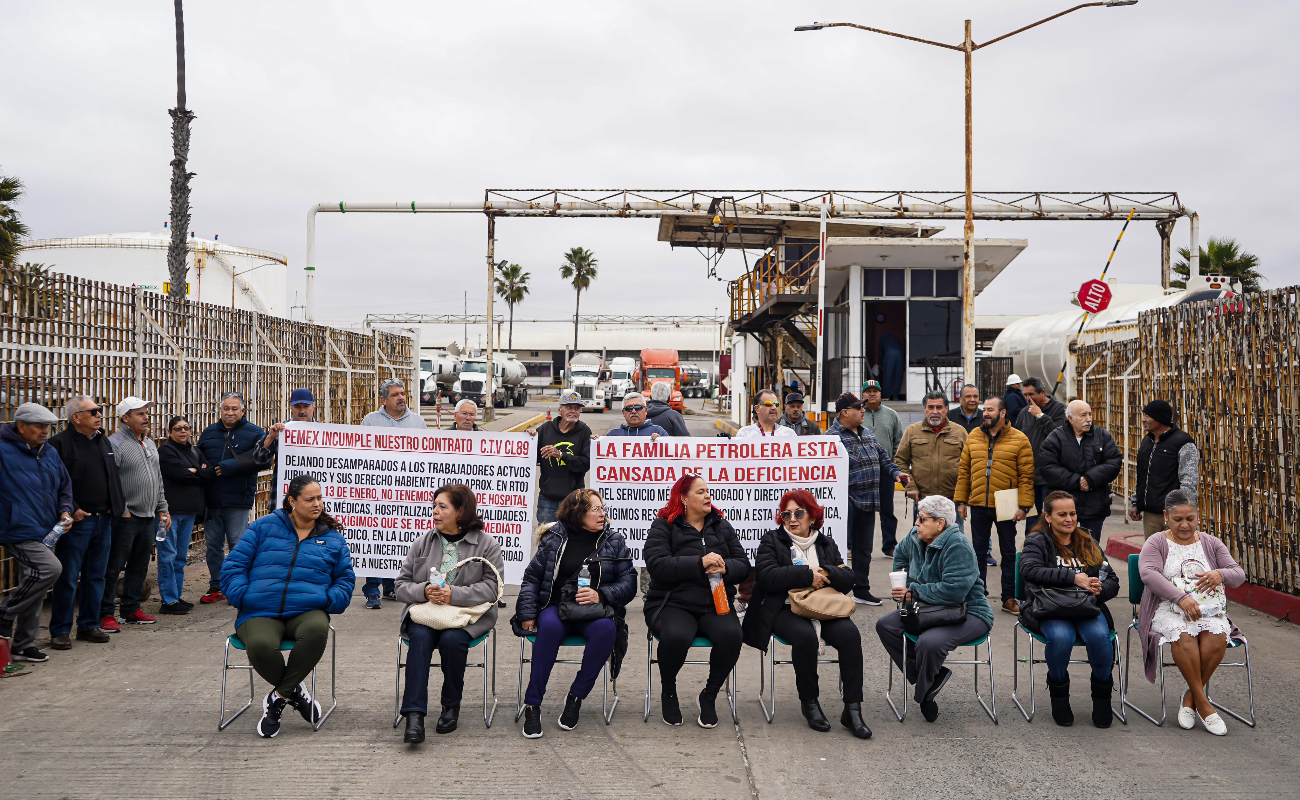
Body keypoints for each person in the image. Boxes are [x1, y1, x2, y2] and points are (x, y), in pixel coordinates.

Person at [220, 475, 355, 738]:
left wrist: (329, 600)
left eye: (319, 498)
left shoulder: (332, 538)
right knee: (259, 645)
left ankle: (278, 699)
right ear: (292, 501)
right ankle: (296, 694)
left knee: (317, 630)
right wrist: (244, 596)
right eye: (310, 499)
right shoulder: (263, 527)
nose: (317, 504)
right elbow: (233, 567)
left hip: (307, 610)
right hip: (259, 610)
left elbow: (345, 580)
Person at [741, 490, 870, 738]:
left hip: (822, 606)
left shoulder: (825, 542)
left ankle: (852, 709)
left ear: (812, 516)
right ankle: (810, 702)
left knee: (850, 635)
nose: (792, 518)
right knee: (805, 638)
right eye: (786, 513)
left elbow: (848, 579)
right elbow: (766, 577)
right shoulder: (772, 540)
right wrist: (807, 575)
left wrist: (827, 572)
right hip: (782, 607)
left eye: (798, 512)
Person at [512, 489, 636, 737]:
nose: (602, 514)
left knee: (606, 630)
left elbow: (629, 582)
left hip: (594, 610)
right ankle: (532, 704)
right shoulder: (554, 537)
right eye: (595, 509)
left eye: (602, 508)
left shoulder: (614, 541)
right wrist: (527, 612)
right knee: (548, 628)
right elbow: (532, 578)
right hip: (556, 607)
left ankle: (576, 697)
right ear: (578, 513)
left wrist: (601, 595)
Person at [394, 484, 504, 744]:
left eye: (442, 507)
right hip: (427, 613)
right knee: (419, 638)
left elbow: (492, 588)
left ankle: (450, 706)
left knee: (452, 640)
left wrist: (454, 594)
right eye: (434, 506)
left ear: (461, 511)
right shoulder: (423, 542)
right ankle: (414, 716)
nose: (435, 512)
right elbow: (400, 586)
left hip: (466, 616)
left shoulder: (487, 545)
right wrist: (425, 591)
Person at [1137, 490, 1246, 736]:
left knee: (1216, 636)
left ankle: (1190, 698)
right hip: (1167, 608)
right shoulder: (1156, 542)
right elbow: (1149, 574)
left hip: (1207, 608)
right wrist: (1181, 598)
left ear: (1198, 516)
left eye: (1190, 518)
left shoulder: (1210, 543)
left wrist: (1222, 574)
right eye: (1178, 519)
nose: (1184, 524)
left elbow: (1238, 575)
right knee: (1184, 636)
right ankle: (1205, 705)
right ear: (1166, 516)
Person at [643, 474, 748, 728]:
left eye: (708, 491)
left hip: (715, 603)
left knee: (732, 636)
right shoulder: (664, 525)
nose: (707, 496)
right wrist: (699, 563)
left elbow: (743, 564)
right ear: (683, 498)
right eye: (700, 492)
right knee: (677, 636)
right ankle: (668, 690)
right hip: (672, 603)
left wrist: (726, 569)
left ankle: (709, 694)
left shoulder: (721, 526)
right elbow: (657, 566)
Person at [875, 495, 993, 722]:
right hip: (926, 607)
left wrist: (913, 590)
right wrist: (902, 579)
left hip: (968, 611)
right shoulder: (914, 536)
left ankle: (924, 695)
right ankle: (931, 678)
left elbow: (954, 592)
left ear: (940, 524)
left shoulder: (958, 545)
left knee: (929, 642)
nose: (916, 523)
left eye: (922, 519)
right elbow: (899, 554)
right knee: (886, 625)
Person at [1018, 490, 1120, 727]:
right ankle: (1059, 696)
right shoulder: (1037, 540)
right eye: (1062, 514)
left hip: (1086, 606)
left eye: (1072, 513)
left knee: (1099, 638)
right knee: (1061, 637)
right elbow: (1029, 570)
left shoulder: (1087, 540)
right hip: (1051, 606)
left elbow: (1112, 580)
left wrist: (1099, 589)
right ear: (1048, 516)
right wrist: (1073, 578)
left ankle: (1102, 698)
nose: (1069, 519)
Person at [46, 396, 124, 647]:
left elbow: (111, 475)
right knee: (68, 576)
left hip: (104, 520)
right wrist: (74, 509)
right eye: (93, 411)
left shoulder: (103, 440)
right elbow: (55, 483)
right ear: (76, 417)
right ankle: (60, 630)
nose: (99, 415)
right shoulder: (58, 444)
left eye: (100, 411)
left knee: (96, 576)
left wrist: (115, 503)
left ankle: (89, 625)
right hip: (77, 522)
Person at [0, 403, 71, 662]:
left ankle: (23, 644)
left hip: (46, 528)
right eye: (39, 426)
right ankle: (5, 612)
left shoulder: (49, 452)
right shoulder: (3, 451)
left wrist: (65, 510)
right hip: (16, 528)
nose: (45, 431)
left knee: (37, 585)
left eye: (48, 427)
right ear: (21, 426)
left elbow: (64, 485)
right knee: (49, 569)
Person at [954, 397, 1034, 615]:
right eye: (985, 410)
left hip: (1006, 502)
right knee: (977, 552)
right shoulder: (974, 436)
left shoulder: (1019, 439)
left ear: (1003, 413)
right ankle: (978, 596)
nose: (986, 413)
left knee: (1008, 552)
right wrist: (961, 501)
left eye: (990, 410)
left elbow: (1027, 476)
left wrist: (1024, 506)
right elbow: (964, 472)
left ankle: (1009, 597)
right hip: (979, 502)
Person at [827, 393, 906, 606]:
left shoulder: (867, 434)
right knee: (838, 549)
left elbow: (882, 458)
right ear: (845, 412)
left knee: (864, 549)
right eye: (858, 407)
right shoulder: (831, 437)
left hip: (869, 499)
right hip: (846, 501)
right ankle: (835, 591)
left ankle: (861, 589)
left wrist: (896, 474)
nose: (863, 410)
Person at [196, 392, 273, 604]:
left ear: (243, 411)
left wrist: (231, 466)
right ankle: (216, 585)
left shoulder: (255, 433)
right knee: (213, 545)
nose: (230, 413)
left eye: (234, 409)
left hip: (238, 499)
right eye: (226, 409)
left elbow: (263, 461)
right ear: (220, 411)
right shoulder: (209, 433)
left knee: (238, 544)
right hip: (211, 499)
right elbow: (199, 457)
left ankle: (238, 585)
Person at [103, 397, 171, 627]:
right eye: (140, 414)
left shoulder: (149, 443)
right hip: (127, 517)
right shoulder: (115, 444)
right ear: (125, 418)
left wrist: (162, 509)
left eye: (146, 413)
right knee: (113, 567)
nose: (146, 417)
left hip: (148, 516)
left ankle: (130, 610)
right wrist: (122, 510)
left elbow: (157, 479)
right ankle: (105, 613)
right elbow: (110, 481)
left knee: (139, 565)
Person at [361, 378, 428, 608]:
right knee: (377, 538)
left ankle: (393, 586)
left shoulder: (418, 422)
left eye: (402, 393)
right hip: (378, 491)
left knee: (399, 539)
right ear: (384, 399)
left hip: (408, 492)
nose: (401, 397)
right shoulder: (370, 421)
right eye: (395, 394)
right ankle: (372, 589)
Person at [1037, 401, 1122, 544]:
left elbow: (1114, 461)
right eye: (1083, 415)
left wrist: (1090, 479)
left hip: (1094, 505)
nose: (1088, 419)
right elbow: (1048, 467)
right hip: (1063, 507)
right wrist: (1077, 481)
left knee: (1091, 548)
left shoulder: (1102, 436)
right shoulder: (1055, 438)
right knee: (1063, 547)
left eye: (1090, 414)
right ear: (1070, 419)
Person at [156, 415, 212, 614]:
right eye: (178, 428)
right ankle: (168, 600)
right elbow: (181, 474)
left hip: (190, 510)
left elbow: (209, 473)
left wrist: (195, 471)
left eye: (186, 428)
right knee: (168, 555)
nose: (183, 431)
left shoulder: (195, 451)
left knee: (180, 557)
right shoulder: (165, 451)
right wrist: (198, 472)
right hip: (169, 512)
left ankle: (176, 596)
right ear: (169, 432)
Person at [894, 391, 968, 526]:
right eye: (930, 407)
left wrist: (962, 500)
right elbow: (900, 461)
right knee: (921, 541)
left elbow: (968, 466)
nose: (935, 411)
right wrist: (910, 486)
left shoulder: (960, 432)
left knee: (952, 543)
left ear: (946, 409)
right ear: (925, 409)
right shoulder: (912, 431)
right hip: (922, 501)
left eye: (939, 407)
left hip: (952, 501)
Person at [1129, 399, 1198, 539]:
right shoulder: (1147, 441)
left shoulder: (1183, 442)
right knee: (1154, 555)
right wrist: (1137, 503)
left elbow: (1189, 480)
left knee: (1176, 555)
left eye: (1147, 416)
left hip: (1175, 515)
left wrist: (1181, 512)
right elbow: (1142, 476)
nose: (1143, 420)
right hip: (1151, 516)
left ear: (1160, 418)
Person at [529, 391, 591, 524]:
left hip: (575, 500)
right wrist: (528, 439)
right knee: (547, 540)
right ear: (560, 410)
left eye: (577, 408)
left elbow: (585, 463)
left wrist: (561, 455)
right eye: (569, 407)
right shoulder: (546, 429)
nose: (573, 411)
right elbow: (531, 457)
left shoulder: (585, 431)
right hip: (547, 499)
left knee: (574, 541)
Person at [1014, 377, 1066, 532]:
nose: (1028, 399)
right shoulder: (1024, 413)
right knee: (1032, 523)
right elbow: (1016, 439)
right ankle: (1032, 552)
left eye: (1031, 394)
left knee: (1051, 520)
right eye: (1025, 395)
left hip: (1050, 478)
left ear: (1043, 392)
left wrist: (1040, 416)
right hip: (1029, 478)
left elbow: (1061, 437)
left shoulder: (1059, 410)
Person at [861, 380, 904, 556]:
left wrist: (894, 465)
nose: (872, 394)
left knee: (887, 510)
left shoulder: (891, 415)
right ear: (863, 394)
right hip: (862, 473)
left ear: (880, 394)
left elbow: (898, 442)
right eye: (868, 391)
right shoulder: (858, 413)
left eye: (875, 391)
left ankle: (889, 546)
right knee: (861, 511)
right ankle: (855, 546)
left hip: (885, 472)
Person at [261, 388, 315, 512]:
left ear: (313, 406)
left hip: (313, 501)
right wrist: (271, 437)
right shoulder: (281, 431)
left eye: (306, 406)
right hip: (283, 499)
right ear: (291, 407)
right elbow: (259, 460)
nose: (302, 411)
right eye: (297, 407)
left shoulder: (323, 433)